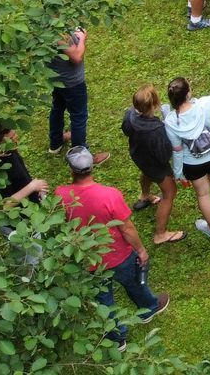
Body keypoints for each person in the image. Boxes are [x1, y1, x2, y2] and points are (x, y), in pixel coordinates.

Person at [55, 146, 169, 344]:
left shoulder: (61, 195)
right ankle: (149, 308)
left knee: (103, 301)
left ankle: (116, 338)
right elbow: (127, 228)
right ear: (92, 166)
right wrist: (141, 250)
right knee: (134, 283)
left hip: (87, 259)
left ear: (71, 170)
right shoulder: (109, 195)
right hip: (119, 255)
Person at [163, 63, 210, 239]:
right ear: (188, 93)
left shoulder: (170, 122)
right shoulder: (205, 104)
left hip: (192, 163)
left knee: (203, 193)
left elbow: (177, 149)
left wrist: (178, 172)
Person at [120, 86, 183, 244]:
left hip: (139, 157)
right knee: (170, 193)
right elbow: (164, 156)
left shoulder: (130, 115)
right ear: (155, 105)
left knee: (146, 173)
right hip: (157, 165)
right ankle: (160, 234)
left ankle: (145, 195)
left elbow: (125, 130)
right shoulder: (157, 130)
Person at [49, 26, 109, 156]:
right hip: (72, 83)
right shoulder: (57, 31)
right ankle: (80, 156)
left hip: (55, 78)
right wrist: (81, 38)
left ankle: (56, 142)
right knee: (78, 116)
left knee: (57, 108)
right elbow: (76, 57)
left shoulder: (40, 24)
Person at [0, 123, 47, 207]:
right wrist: (31, 187)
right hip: (20, 214)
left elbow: (19, 175)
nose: (16, 137)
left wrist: (35, 188)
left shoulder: (8, 150)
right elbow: (4, 205)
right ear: (0, 139)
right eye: (11, 137)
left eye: (15, 133)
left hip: (31, 200)